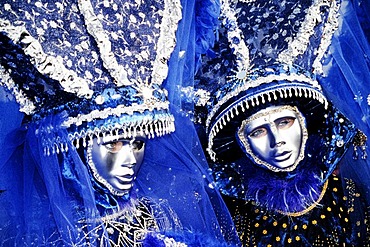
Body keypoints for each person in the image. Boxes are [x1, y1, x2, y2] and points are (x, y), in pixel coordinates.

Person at [0, 0, 239, 245]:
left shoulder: (160, 211)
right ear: (76, 151)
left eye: (137, 144)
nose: (130, 161)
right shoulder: (50, 236)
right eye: (114, 145)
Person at [193, 0, 370, 245]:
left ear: (304, 123)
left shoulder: (347, 195)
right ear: (241, 143)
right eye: (258, 132)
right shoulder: (234, 214)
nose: (278, 142)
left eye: (285, 122)